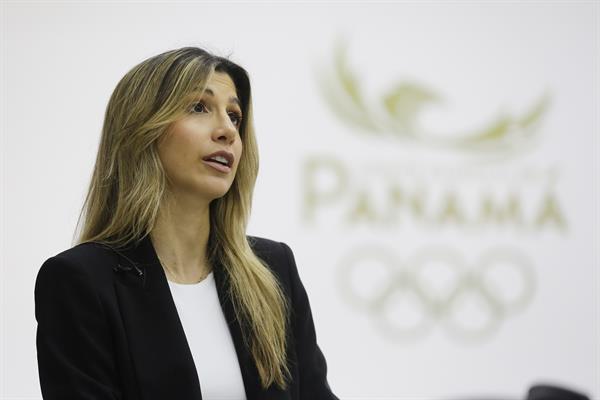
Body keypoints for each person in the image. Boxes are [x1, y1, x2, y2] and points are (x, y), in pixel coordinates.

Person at [34, 47, 339, 400]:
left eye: (235, 116)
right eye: (199, 107)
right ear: (143, 131)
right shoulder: (80, 282)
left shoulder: (273, 271)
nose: (227, 130)